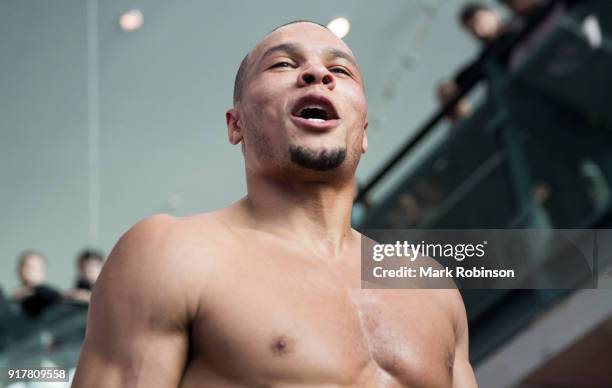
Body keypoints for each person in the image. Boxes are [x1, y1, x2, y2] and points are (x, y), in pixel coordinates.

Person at [73, 21, 477, 387]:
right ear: (237, 125)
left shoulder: (430, 285)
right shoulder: (170, 253)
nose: (317, 74)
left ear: (364, 131)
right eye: (282, 64)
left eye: (339, 71)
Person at [13, 250, 61, 318]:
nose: (27, 270)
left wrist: (33, 291)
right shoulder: (17, 296)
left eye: (32, 268)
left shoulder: (51, 296)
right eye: (24, 266)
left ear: (43, 271)